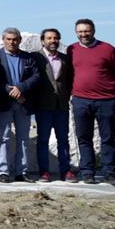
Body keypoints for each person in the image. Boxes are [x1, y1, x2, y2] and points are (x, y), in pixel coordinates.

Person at [67, 18, 115, 185]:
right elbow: (69, 73)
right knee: (84, 137)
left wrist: (109, 87)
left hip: (106, 100)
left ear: (93, 31)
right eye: (80, 31)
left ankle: (109, 171)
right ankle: (87, 172)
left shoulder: (107, 49)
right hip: (80, 101)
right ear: (76, 32)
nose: (83, 34)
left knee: (107, 137)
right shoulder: (71, 50)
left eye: (86, 31)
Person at [0, 28, 41, 183]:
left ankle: (22, 171)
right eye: (9, 39)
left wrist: (21, 88)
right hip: (5, 103)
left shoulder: (28, 57)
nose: (12, 42)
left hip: (23, 103)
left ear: (19, 40)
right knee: (4, 137)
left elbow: (36, 76)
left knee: (23, 139)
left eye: (15, 39)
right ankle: (3, 172)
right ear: (3, 39)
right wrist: (10, 90)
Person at [31, 28, 76, 182]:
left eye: (55, 38)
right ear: (43, 41)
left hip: (62, 106)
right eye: (49, 38)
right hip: (43, 107)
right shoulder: (35, 57)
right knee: (43, 140)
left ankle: (66, 171)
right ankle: (44, 171)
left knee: (63, 140)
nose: (53, 41)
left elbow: (69, 80)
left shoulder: (65, 59)